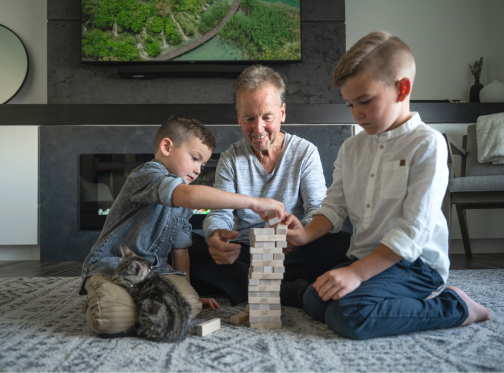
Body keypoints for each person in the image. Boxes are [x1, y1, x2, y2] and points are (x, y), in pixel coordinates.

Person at [285, 31, 491, 340]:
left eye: (365, 101)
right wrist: (303, 234)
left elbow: (412, 233)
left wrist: (355, 274)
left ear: (402, 88)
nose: (357, 113)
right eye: (349, 104)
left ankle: (456, 305)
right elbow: (333, 208)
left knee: (348, 315)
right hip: (363, 259)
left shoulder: (427, 144)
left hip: (415, 265)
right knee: (316, 299)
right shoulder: (351, 149)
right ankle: (388, 298)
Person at [79, 115, 285, 337]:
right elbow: (185, 195)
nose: (198, 170)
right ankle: (105, 296)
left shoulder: (184, 205)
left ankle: (136, 306)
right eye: (195, 158)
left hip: (155, 274)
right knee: (110, 317)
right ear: (167, 146)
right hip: (115, 267)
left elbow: (180, 251)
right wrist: (253, 202)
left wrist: (192, 291)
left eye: (203, 164)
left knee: (190, 306)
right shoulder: (147, 175)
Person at [188, 65, 352, 308]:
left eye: (267, 117)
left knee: (343, 243)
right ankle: (284, 290)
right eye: (249, 118)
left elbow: (317, 209)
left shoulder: (305, 152)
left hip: (291, 253)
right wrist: (214, 237)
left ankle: (242, 283)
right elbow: (219, 212)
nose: (258, 129)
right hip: (244, 251)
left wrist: (299, 236)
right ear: (238, 117)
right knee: (187, 247)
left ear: (282, 113)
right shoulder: (231, 158)